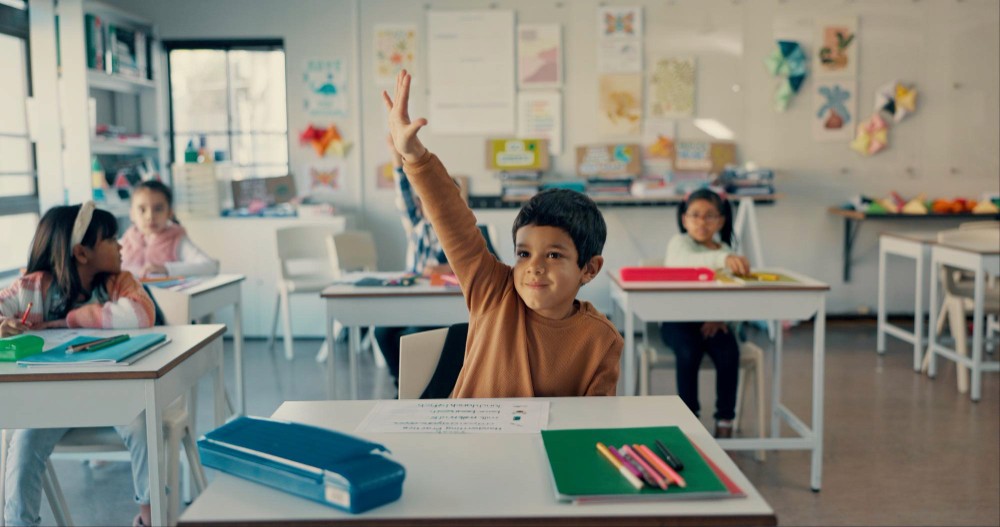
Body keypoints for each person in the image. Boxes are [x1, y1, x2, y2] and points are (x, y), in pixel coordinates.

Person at [382, 70, 622, 397]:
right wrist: (413, 155)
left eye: (553, 255)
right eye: (524, 254)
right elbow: (452, 219)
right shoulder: (493, 291)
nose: (534, 267)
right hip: (469, 443)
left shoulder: (601, 339)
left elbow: (591, 425)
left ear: (589, 269)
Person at [0, 202, 156, 527]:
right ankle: (19, 523)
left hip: (115, 397)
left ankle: (149, 516)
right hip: (51, 403)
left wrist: (66, 322)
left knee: (144, 425)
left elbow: (141, 314)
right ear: (81, 253)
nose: (121, 245)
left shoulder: (119, 282)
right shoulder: (32, 288)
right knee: (24, 439)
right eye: (111, 239)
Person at [660, 188, 751, 438]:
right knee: (688, 352)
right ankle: (690, 421)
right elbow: (684, 263)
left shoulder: (725, 250)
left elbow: (734, 294)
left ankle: (725, 420)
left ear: (721, 220)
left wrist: (720, 316)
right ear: (684, 219)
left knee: (728, 352)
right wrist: (725, 258)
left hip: (714, 321)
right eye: (696, 215)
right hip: (678, 322)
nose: (702, 221)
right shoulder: (680, 244)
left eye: (710, 216)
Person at [373, 134, 451, 387]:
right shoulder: (416, 228)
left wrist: (443, 268)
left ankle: (419, 386)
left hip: (439, 307)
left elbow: (482, 268)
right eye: (427, 201)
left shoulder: (461, 234)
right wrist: (397, 157)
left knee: (414, 337)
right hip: (411, 300)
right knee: (382, 332)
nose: (433, 206)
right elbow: (403, 192)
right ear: (420, 207)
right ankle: (401, 384)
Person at [120, 180, 219, 279]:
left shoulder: (177, 239)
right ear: (132, 214)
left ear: (170, 213)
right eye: (142, 209)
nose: (150, 216)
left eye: (158, 209)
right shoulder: (124, 242)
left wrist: (166, 269)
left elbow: (210, 266)